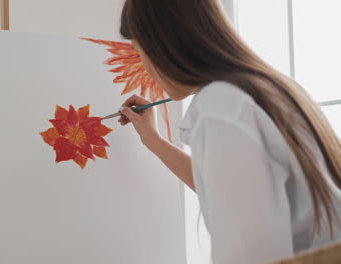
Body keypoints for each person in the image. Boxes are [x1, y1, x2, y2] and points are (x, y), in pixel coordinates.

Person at [116, 0, 341, 263]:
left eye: (137, 52)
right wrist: (152, 140)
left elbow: (251, 253)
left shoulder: (222, 104)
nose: (144, 67)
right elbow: (231, 192)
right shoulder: (266, 88)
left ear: (161, 44)